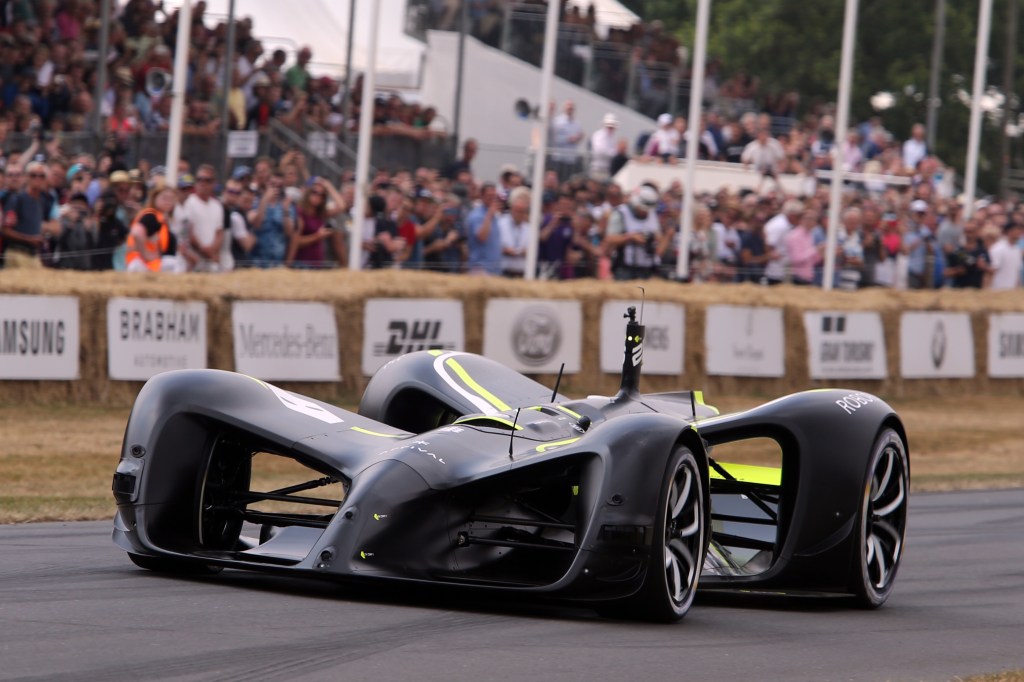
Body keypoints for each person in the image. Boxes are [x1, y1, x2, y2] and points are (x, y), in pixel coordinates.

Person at [2, 161, 59, 269]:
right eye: (33, 175)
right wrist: (29, 239)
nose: (38, 179)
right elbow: (5, 230)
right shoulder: (17, 199)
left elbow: (55, 227)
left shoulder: (43, 201)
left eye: (42, 176)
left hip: (33, 255)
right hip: (17, 253)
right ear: (26, 177)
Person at [603, 185, 661, 280]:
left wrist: (653, 239)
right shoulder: (620, 213)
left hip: (647, 267)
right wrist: (630, 237)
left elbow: (658, 238)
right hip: (625, 268)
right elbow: (609, 239)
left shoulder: (653, 215)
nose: (645, 212)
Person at [287, 178, 347, 268]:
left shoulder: (320, 214)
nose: (318, 196)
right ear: (308, 192)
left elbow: (341, 206)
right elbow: (296, 241)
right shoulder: (300, 212)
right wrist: (317, 236)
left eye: (322, 195)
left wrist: (328, 186)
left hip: (317, 263)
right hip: (302, 263)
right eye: (314, 192)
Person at [125, 186, 182, 272]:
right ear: (155, 198)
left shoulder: (162, 219)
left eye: (171, 199)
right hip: (143, 265)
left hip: (147, 265)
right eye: (164, 198)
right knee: (177, 264)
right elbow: (136, 232)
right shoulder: (151, 216)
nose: (168, 202)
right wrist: (147, 255)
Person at [179, 165, 225, 271]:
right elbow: (187, 231)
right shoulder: (189, 203)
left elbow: (219, 232)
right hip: (193, 258)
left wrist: (212, 249)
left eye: (207, 180)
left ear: (214, 183)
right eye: (199, 179)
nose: (202, 183)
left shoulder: (217, 206)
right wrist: (202, 248)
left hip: (210, 259)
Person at [250, 171, 295, 267]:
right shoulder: (256, 201)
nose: (276, 189)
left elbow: (289, 233)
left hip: (277, 261)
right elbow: (257, 225)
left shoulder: (287, 205)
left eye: (279, 186)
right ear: (267, 184)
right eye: (273, 185)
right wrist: (264, 201)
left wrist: (285, 211)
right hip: (257, 260)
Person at [465, 182, 503, 275]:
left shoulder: (494, 216)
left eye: (494, 196)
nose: (492, 199)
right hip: (480, 269)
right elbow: (481, 237)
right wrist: (489, 214)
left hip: (494, 270)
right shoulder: (476, 216)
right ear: (481, 196)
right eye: (489, 196)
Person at [54, 192, 95, 270]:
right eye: (75, 204)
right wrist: (69, 226)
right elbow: (58, 242)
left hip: (84, 267)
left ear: (86, 207)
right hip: (66, 266)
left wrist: (88, 231)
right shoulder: (64, 221)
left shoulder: (89, 222)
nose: (78, 207)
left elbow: (94, 247)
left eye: (81, 205)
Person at [499, 187, 531, 277]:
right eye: (517, 210)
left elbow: (532, 250)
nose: (519, 214)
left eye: (522, 211)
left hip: (521, 273)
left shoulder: (529, 228)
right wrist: (505, 250)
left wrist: (527, 252)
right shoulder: (501, 223)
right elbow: (495, 246)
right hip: (504, 271)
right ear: (511, 208)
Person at [589, 113, 619, 180]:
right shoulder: (598, 135)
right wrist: (613, 153)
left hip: (608, 169)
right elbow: (600, 150)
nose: (610, 128)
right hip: (598, 168)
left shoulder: (613, 137)